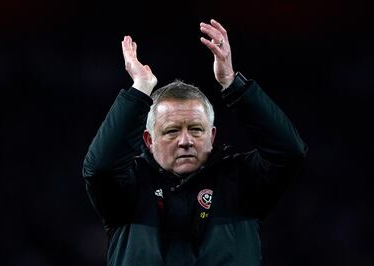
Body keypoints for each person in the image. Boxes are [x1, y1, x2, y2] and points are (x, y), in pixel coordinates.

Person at [82, 19, 308, 266]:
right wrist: (139, 90)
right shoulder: (128, 188)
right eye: (171, 131)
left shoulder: (240, 182)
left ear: (211, 136)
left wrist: (233, 85)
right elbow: (99, 168)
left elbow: (289, 152)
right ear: (148, 140)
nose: (185, 141)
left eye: (196, 130)